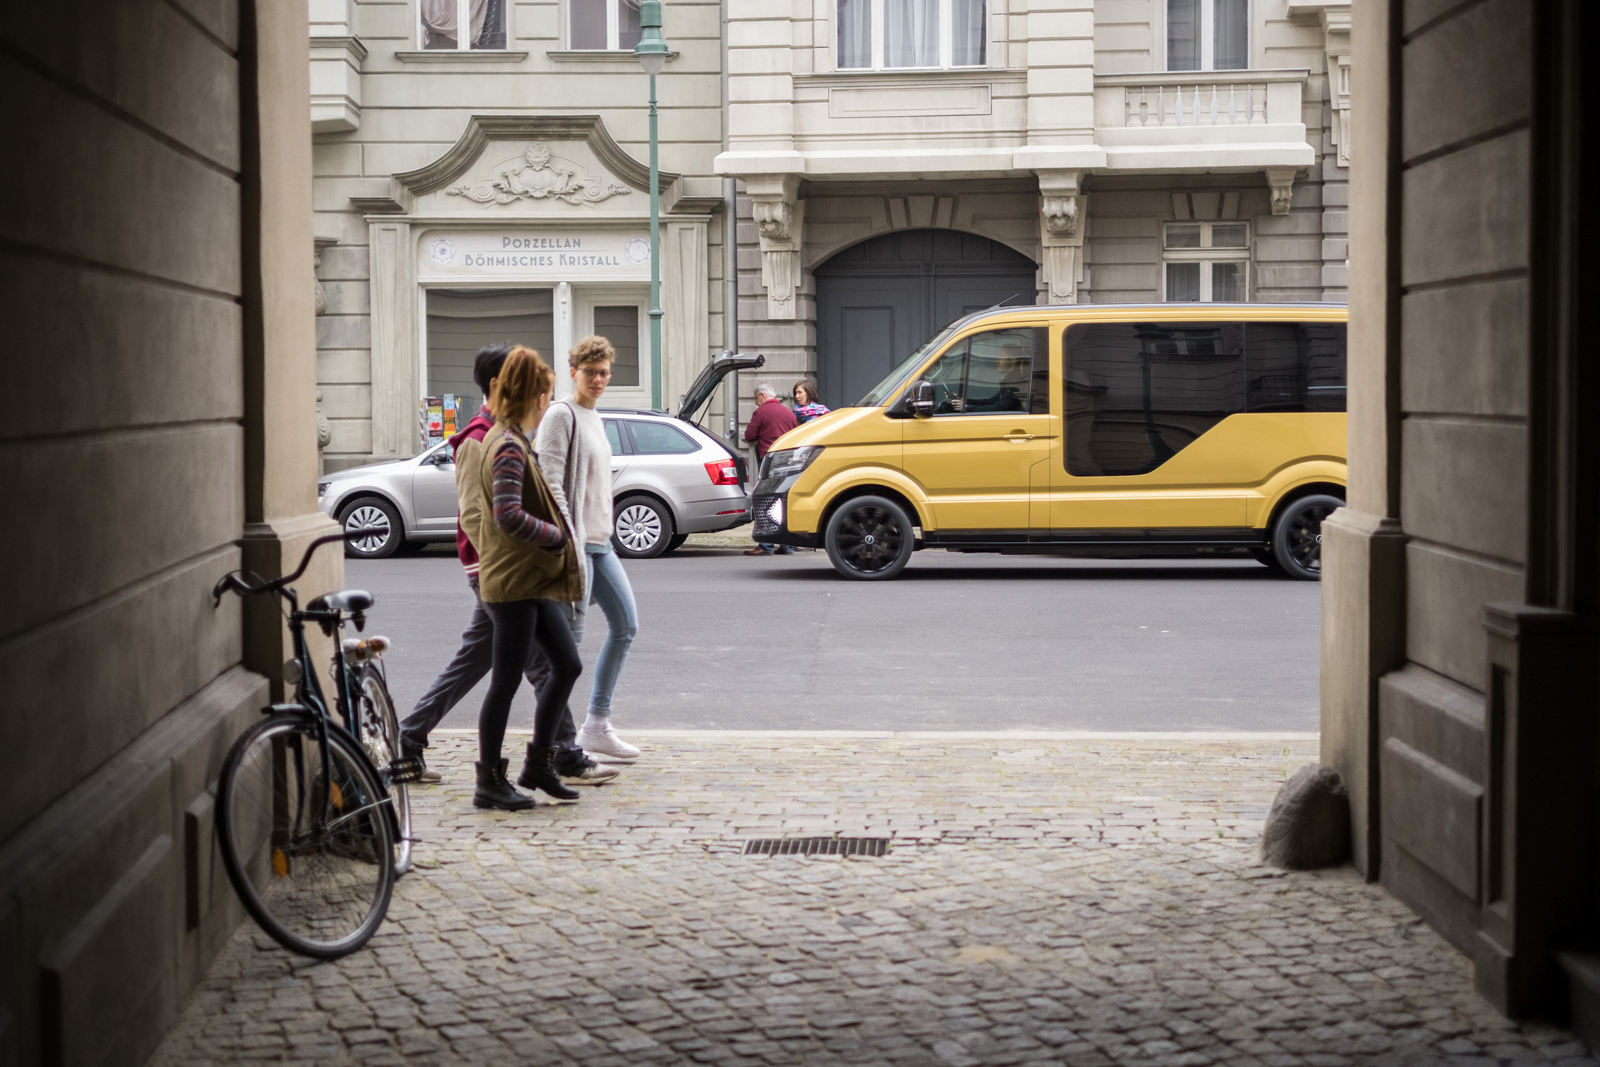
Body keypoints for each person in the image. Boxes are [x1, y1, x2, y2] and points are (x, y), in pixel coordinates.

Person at [398, 343, 618, 787]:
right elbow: (479, 515)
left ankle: (409, 739)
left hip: (504, 572)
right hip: (500, 573)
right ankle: (559, 755)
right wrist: (498, 566)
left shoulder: (501, 432)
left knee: (482, 660)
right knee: (545, 663)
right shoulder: (480, 439)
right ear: (502, 385)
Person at [466, 346, 586, 811]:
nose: (547, 403)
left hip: (524, 581)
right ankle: (489, 782)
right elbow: (507, 514)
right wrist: (555, 537)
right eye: (545, 394)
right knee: (506, 681)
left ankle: (538, 764)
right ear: (530, 396)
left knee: (566, 665)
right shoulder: (508, 446)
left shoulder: (509, 437)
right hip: (513, 583)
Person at [535, 335, 643, 762]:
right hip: (575, 549)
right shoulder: (561, 416)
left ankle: (596, 725)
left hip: (602, 544)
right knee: (567, 654)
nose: (598, 380)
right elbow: (550, 483)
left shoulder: (595, 416)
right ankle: (557, 746)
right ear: (573, 371)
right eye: (591, 373)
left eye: (604, 373)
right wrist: (567, 544)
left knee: (626, 626)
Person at [743, 382, 799, 556]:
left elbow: (749, 435)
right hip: (788, 463)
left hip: (769, 461)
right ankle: (787, 545)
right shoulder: (789, 413)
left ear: (763, 395)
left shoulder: (761, 412)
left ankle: (765, 545)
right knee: (784, 501)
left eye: (756, 399)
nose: (756, 403)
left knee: (766, 501)